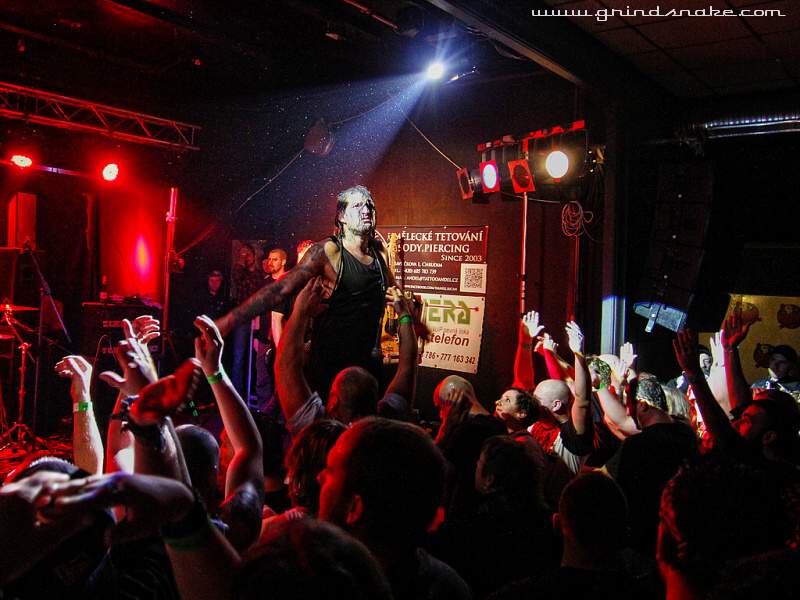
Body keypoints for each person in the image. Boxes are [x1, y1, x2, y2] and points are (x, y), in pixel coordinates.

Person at [216, 186, 394, 399]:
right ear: (342, 217)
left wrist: (410, 316)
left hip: (368, 369)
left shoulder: (380, 251)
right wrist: (229, 321)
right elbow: (280, 289)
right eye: (358, 205)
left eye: (369, 205)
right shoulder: (327, 251)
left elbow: (391, 290)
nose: (366, 210)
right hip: (331, 373)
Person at [317, 417, 472, 600]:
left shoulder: (312, 582)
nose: (320, 477)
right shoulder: (450, 588)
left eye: (330, 471)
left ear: (354, 508)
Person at [229, 243, 264, 397]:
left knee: (258, 357)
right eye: (243, 254)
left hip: (256, 317)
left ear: (254, 255)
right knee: (238, 357)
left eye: (248, 254)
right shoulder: (239, 271)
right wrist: (242, 261)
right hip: (243, 318)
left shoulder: (259, 275)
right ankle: (237, 394)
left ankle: (256, 393)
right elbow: (237, 279)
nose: (246, 257)